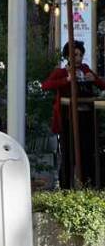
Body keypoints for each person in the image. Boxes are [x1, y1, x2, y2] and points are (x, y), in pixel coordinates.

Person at [42, 41, 105, 189]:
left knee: (87, 153)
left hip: (87, 118)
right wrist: (67, 80)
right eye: (75, 55)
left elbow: (102, 85)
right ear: (68, 56)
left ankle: (88, 187)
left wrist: (93, 79)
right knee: (68, 155)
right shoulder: (62, 72)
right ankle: (66, 188)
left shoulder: (85, 69)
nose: (78, 58)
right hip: (68, 120)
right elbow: (45, 86)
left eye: (80, 55)